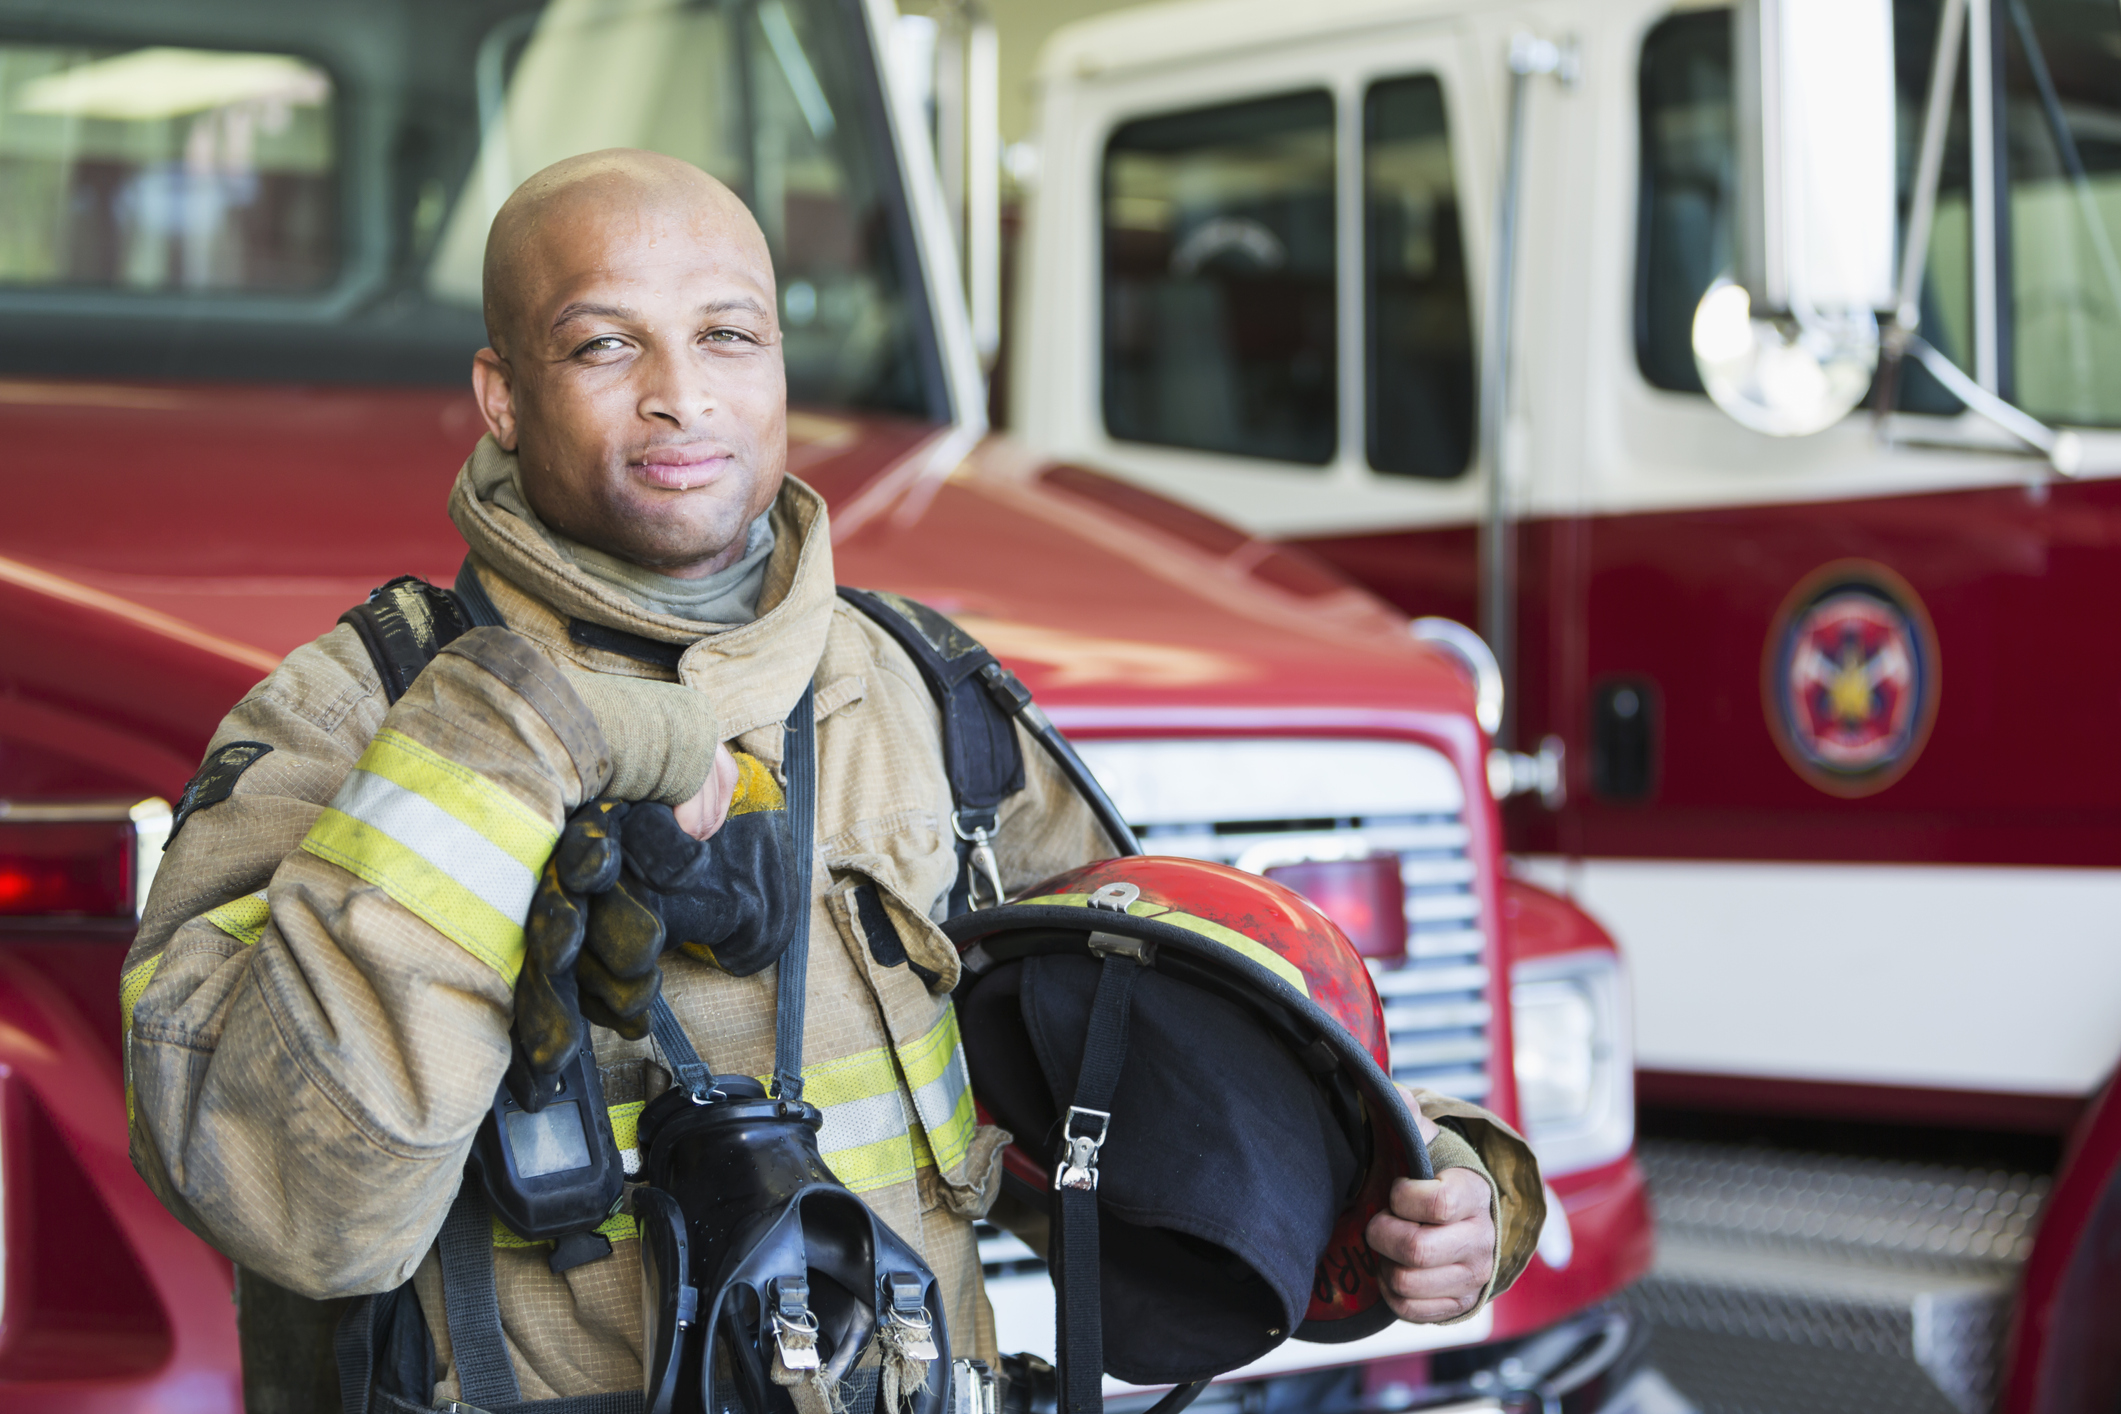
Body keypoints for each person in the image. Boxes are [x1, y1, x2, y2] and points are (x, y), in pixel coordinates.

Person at [121, 148, 1536, 1409]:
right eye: (605, 344)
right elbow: (299, 1209)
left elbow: (1162, 1084)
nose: (682, 396)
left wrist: (1431, 1192)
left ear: (779, 365)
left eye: (727, 336)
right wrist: (493, 759)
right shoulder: (352, 716)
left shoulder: (919, 695)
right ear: (500, 395)